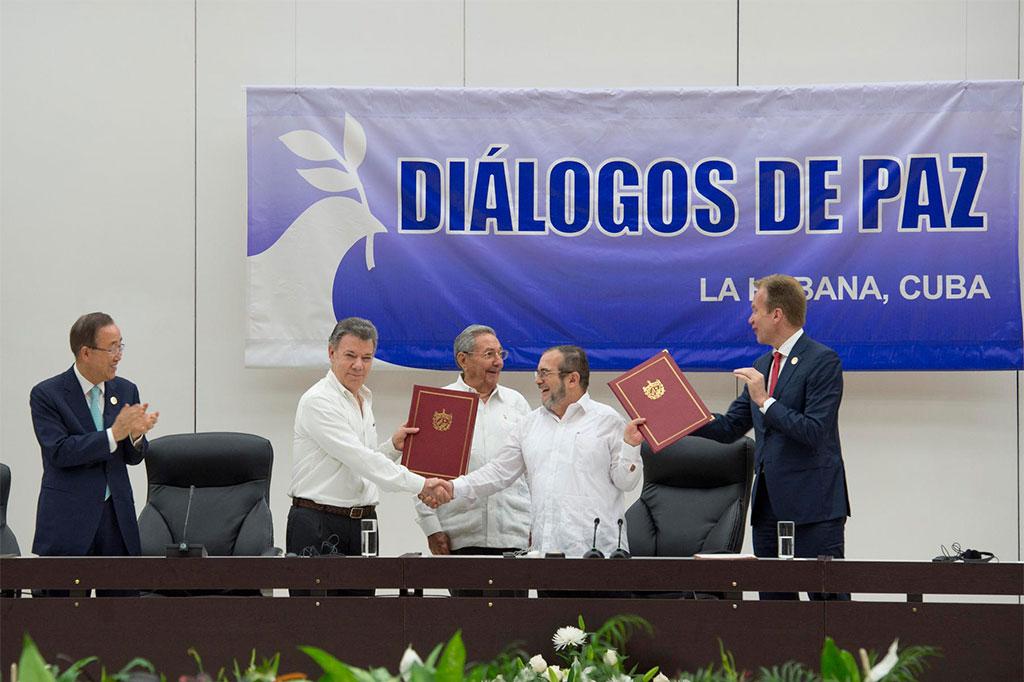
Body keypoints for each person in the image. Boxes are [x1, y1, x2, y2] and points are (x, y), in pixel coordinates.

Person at [638, 274, 850, 600]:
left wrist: (765, 400)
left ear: (776, 314)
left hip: (814, 510)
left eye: (755, 310)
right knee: (774, 608)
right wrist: (675, 414)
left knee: (828, 606)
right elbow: (728, 428)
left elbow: (814, 431)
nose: (750, 319)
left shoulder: (822, 361)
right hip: (768, 510)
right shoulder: (763, 364)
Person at [432, 345, 643, 558]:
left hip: (599, 553)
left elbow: (626, 482)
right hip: (546, 553)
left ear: (572, 379)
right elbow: (498, 472)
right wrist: (452, 487)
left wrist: (632, 446)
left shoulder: (608, 420)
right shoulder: (529, 424)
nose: (538, 380)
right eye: (537, 373)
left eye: (544, 373)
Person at [287, 317, 449, 592]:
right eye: (350, 356)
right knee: (315, 615)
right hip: (319, 523)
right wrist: (422, 484)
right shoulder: (319, 400)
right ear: (331, 352)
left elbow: (361, 463)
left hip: (363, 524)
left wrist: (393, 447)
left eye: (367, 357)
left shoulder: (363, 398)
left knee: (364, 613)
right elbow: (361, 459)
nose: (359, 365)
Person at [30, 313, 159, 574]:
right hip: (68, 521)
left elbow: (132, 458)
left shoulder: (126, 390)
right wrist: (113, 434)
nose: (118, 356)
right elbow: (59, 451)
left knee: (122, 598)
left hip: (117, 519)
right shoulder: (47, 394)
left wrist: (135, 436)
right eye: (111, 348)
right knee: (64, 599)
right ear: (86, 353)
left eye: (120, 346)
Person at [414, 325, 531, 596]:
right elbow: (419, 475)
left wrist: (535, 524)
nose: (498, 362)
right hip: (460, 537)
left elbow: (532, 469)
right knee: (467, 619)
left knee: (516, 619)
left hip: (513, 536)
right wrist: (431, 528)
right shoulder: (440, 403)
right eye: (489, 354)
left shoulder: (517, 403)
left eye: (500, 353)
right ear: (463, 359)